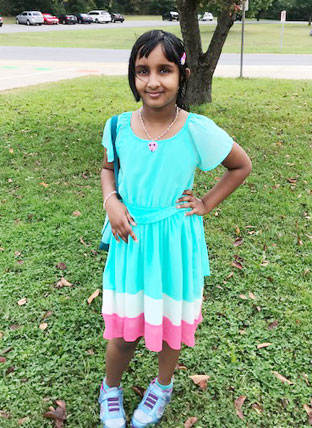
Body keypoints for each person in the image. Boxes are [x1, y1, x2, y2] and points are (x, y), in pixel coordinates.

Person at [99, 30, 252, 428]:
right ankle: (110, 388)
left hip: (174, 243)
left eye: (164, 70)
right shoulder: (117, 126)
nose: (153, 81)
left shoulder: (196, 128)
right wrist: (111, 201)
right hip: (130, 240)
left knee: (169, 326)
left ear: (182, 76)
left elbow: (240, 165)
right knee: (125, 331)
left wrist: (205, 203)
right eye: (142, 70)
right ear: (132, 77)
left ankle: (162, 385)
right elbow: (108, 169)